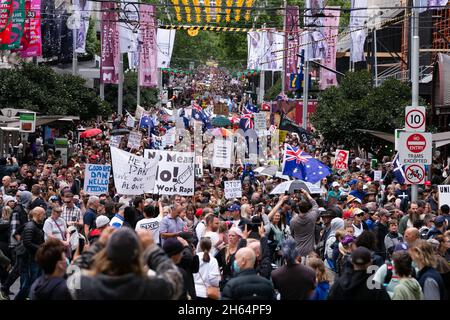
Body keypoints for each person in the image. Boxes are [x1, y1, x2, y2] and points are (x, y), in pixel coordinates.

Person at [69, 227, 183, 299]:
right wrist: (150, 247)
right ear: (139, 256)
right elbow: (175, 279)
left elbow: (71, 272)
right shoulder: (150, 289)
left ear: (106, 255)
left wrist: (99, 244)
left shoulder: (87, 287)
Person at [15, 207, 46, 300]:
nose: (45, 216)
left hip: (32, 256)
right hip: (27, 257)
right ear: (38, 214)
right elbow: (27, 242)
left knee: (33, 281)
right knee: (26, 284)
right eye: (43, 214)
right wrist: (41, 248)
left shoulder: (36, 225)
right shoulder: (30, 226)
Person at [290, 189, 320, 258]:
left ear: (299, 209)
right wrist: (307, 194)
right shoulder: (312, 216)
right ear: (308, 208)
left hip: (298, 250)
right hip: (310, 251)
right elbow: (315, 205)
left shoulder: (293, 220)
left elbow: (292, 234)